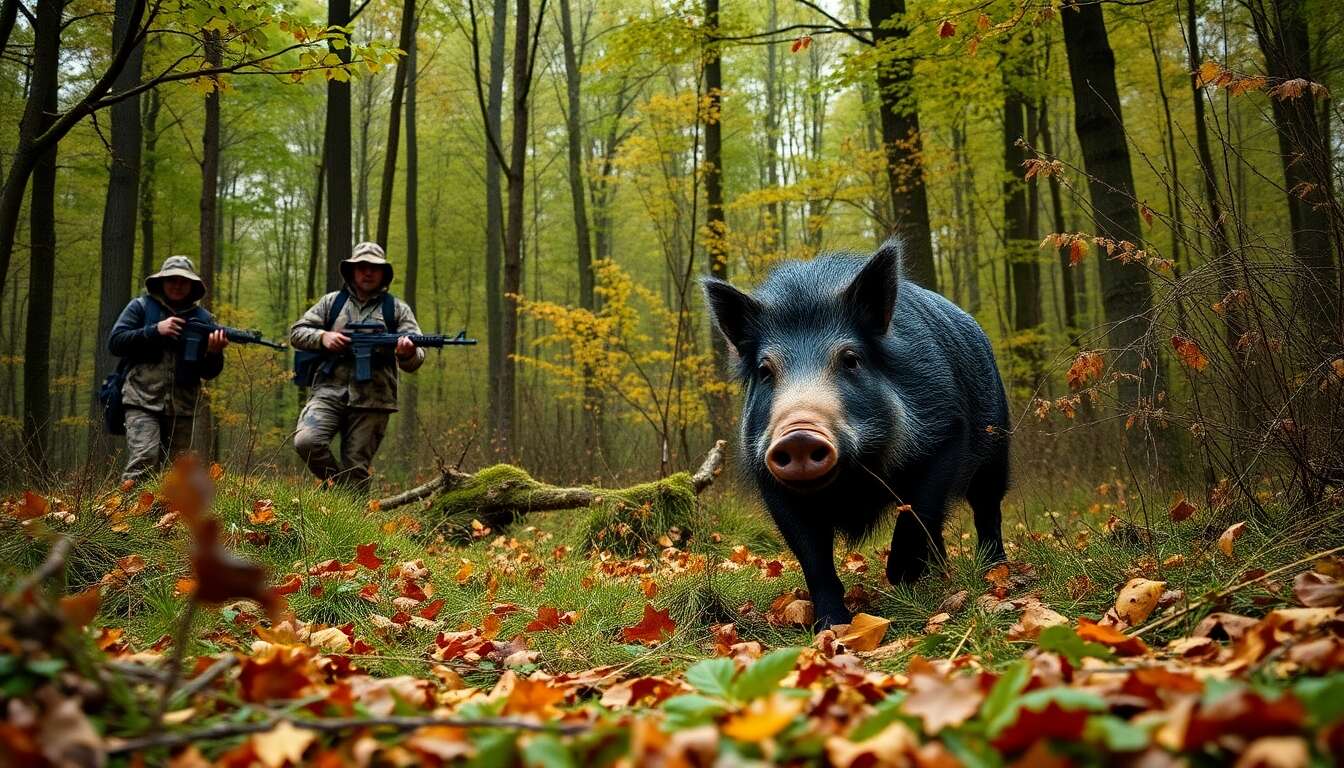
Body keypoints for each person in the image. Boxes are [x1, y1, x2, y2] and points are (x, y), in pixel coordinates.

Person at [290, 242, 425, 490]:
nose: (368, 272)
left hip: (373, 399)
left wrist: (407, 353)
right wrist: (323, 337)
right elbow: (297, 332)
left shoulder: (395, 309)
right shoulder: (332, 303)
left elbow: (416, 358)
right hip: (328, 392)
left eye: (374, 267)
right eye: (361, 266)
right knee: (306, 442)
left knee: (356, 469)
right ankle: (338, 487)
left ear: (383, 273)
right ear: (351, 270)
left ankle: (349, 523)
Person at [108, 256, 229, 484]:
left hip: (183, 407)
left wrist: (214, 351)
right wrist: (154, 330)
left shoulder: (204, 319)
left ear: (192, 285)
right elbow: (115, 342)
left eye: (183, 281)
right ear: (161, 281)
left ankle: (170, 518)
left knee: (179, 472)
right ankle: (128, 514)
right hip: (141, 400)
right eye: (171, 279)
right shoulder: (140, 307)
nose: (177, 285)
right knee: (144, 458)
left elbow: (209, 372)